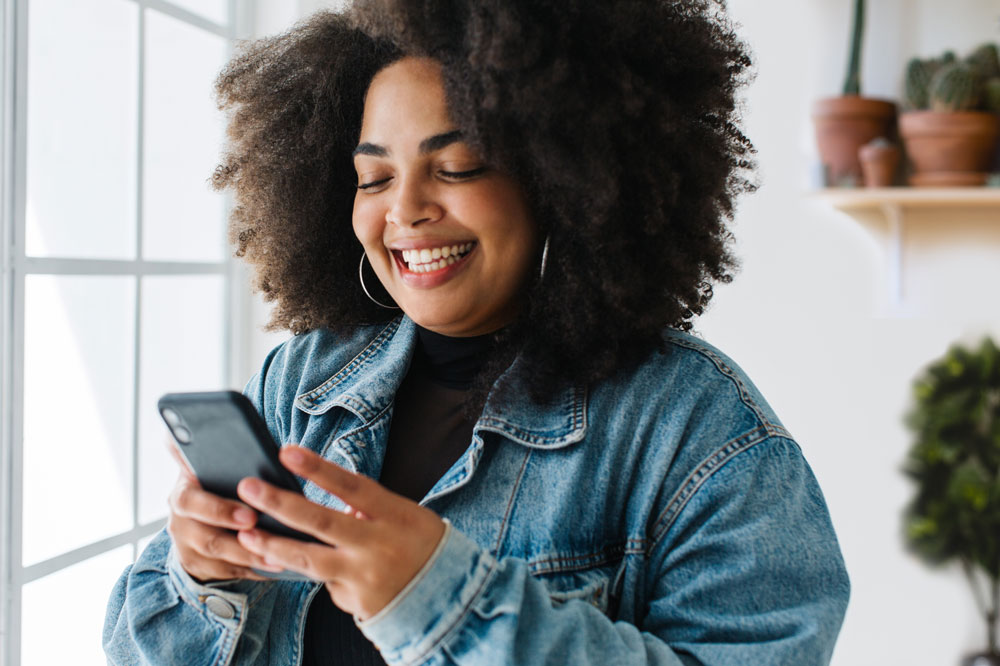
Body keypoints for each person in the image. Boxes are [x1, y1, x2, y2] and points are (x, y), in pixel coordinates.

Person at [104, 1, 850, 664]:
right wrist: (199, 575)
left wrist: (442, 603)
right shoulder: (299, 383)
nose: (406, 209)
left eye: (457, 165)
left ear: (566, 180)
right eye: (374, 178)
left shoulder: (699, 431)